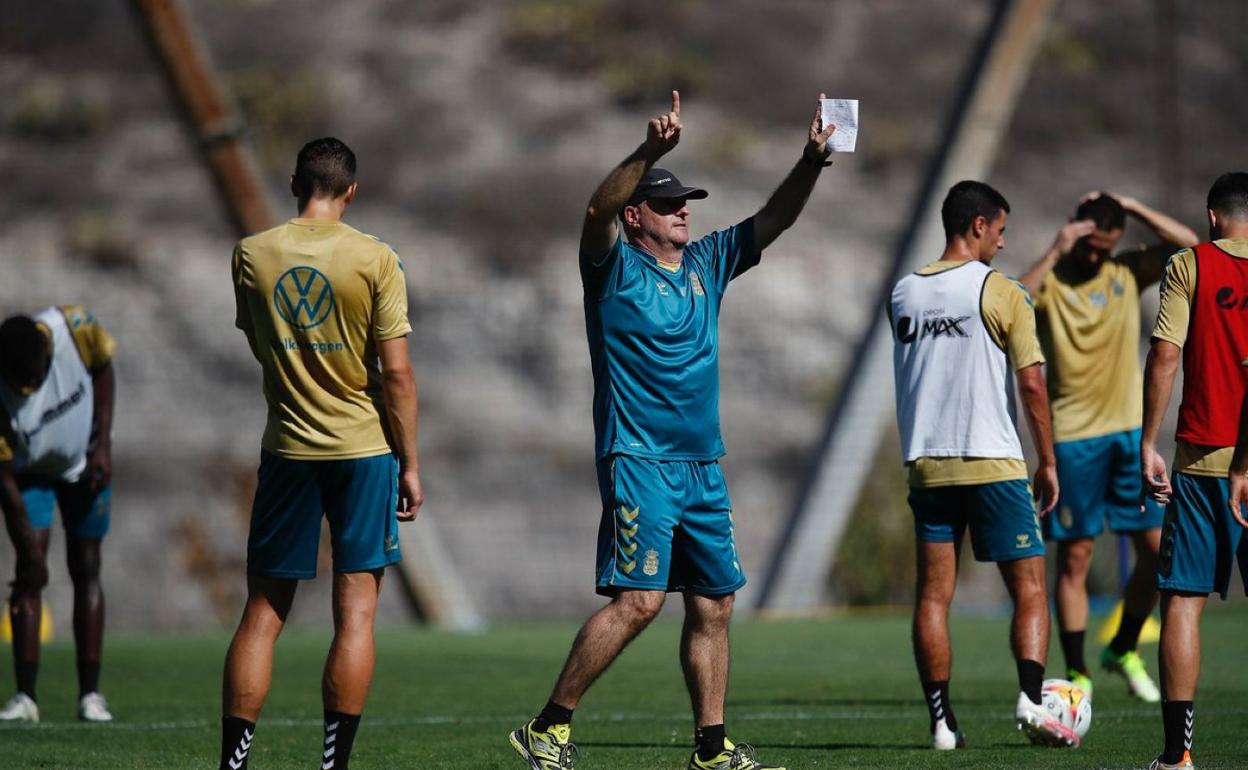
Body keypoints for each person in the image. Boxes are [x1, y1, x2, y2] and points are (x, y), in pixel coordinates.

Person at [508, 90, 835, 770]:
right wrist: (648, 152)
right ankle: (548, 727)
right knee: (640, 602)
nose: (683, 209)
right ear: (637, 217)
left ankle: (710, 749)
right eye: (667, 201)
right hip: (639, 460)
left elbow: (773, 218)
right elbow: (595, 211)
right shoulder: (612, 268)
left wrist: (812, 160)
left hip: (702, 467)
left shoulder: (707, 265)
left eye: (686, 200)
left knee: (715, 607)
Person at [221, 137, 423, 770]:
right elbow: (396, 375)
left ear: (293, 184)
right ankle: (333, 765)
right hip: (364, 451)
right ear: (352, 191)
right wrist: (410, 463)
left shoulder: (252, 254)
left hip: (287, 447)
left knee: (262, 612)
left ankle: (233, 764)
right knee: (356, 612)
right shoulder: (376, 259)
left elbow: (261, 343)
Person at [890, 181, 1075, 749]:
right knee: (1030, 589)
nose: (1002, 241)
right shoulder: (1002, 291)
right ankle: (1030, 697)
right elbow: (1033, 384)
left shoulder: (903, 293)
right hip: (993, 461)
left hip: (927, 465)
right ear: (977, 226)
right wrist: (1047, 460)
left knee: (932, 596)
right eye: (1000, 231)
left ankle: (942, 724)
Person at [1018, 192, 1198, 701]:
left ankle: (1121, 645)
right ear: (1075, 233)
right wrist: (1056, 248)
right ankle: (1077, 672)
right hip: (1072, 438)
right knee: (1075, 557)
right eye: (1090, 245)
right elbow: (1011, 299)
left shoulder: (1125, 272)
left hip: (1127, 435)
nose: (1096, 255)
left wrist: (1132, 205)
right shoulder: (1053, 278)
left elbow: (1189, 245)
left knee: (1157, 551)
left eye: (1106, 246)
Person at [1141, 171, 1248, 770]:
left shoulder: (1191, 266)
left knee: (1183, 602)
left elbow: (1165, 354)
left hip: (1203, 461)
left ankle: (1179, 756)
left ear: (1212, 217)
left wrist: (1146, 439)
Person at [0, 306, 116, 723]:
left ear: (47, 356)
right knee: (29, 574)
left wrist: (102, 442)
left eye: (34, 378)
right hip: (30, 477)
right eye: (20, 383)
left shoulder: (75, 328)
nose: (28, 389)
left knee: (87, 568)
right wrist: (29, 547)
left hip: (84, 468)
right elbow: (4, 478)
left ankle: (91, 695)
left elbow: (103, 370)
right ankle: (25, 697)